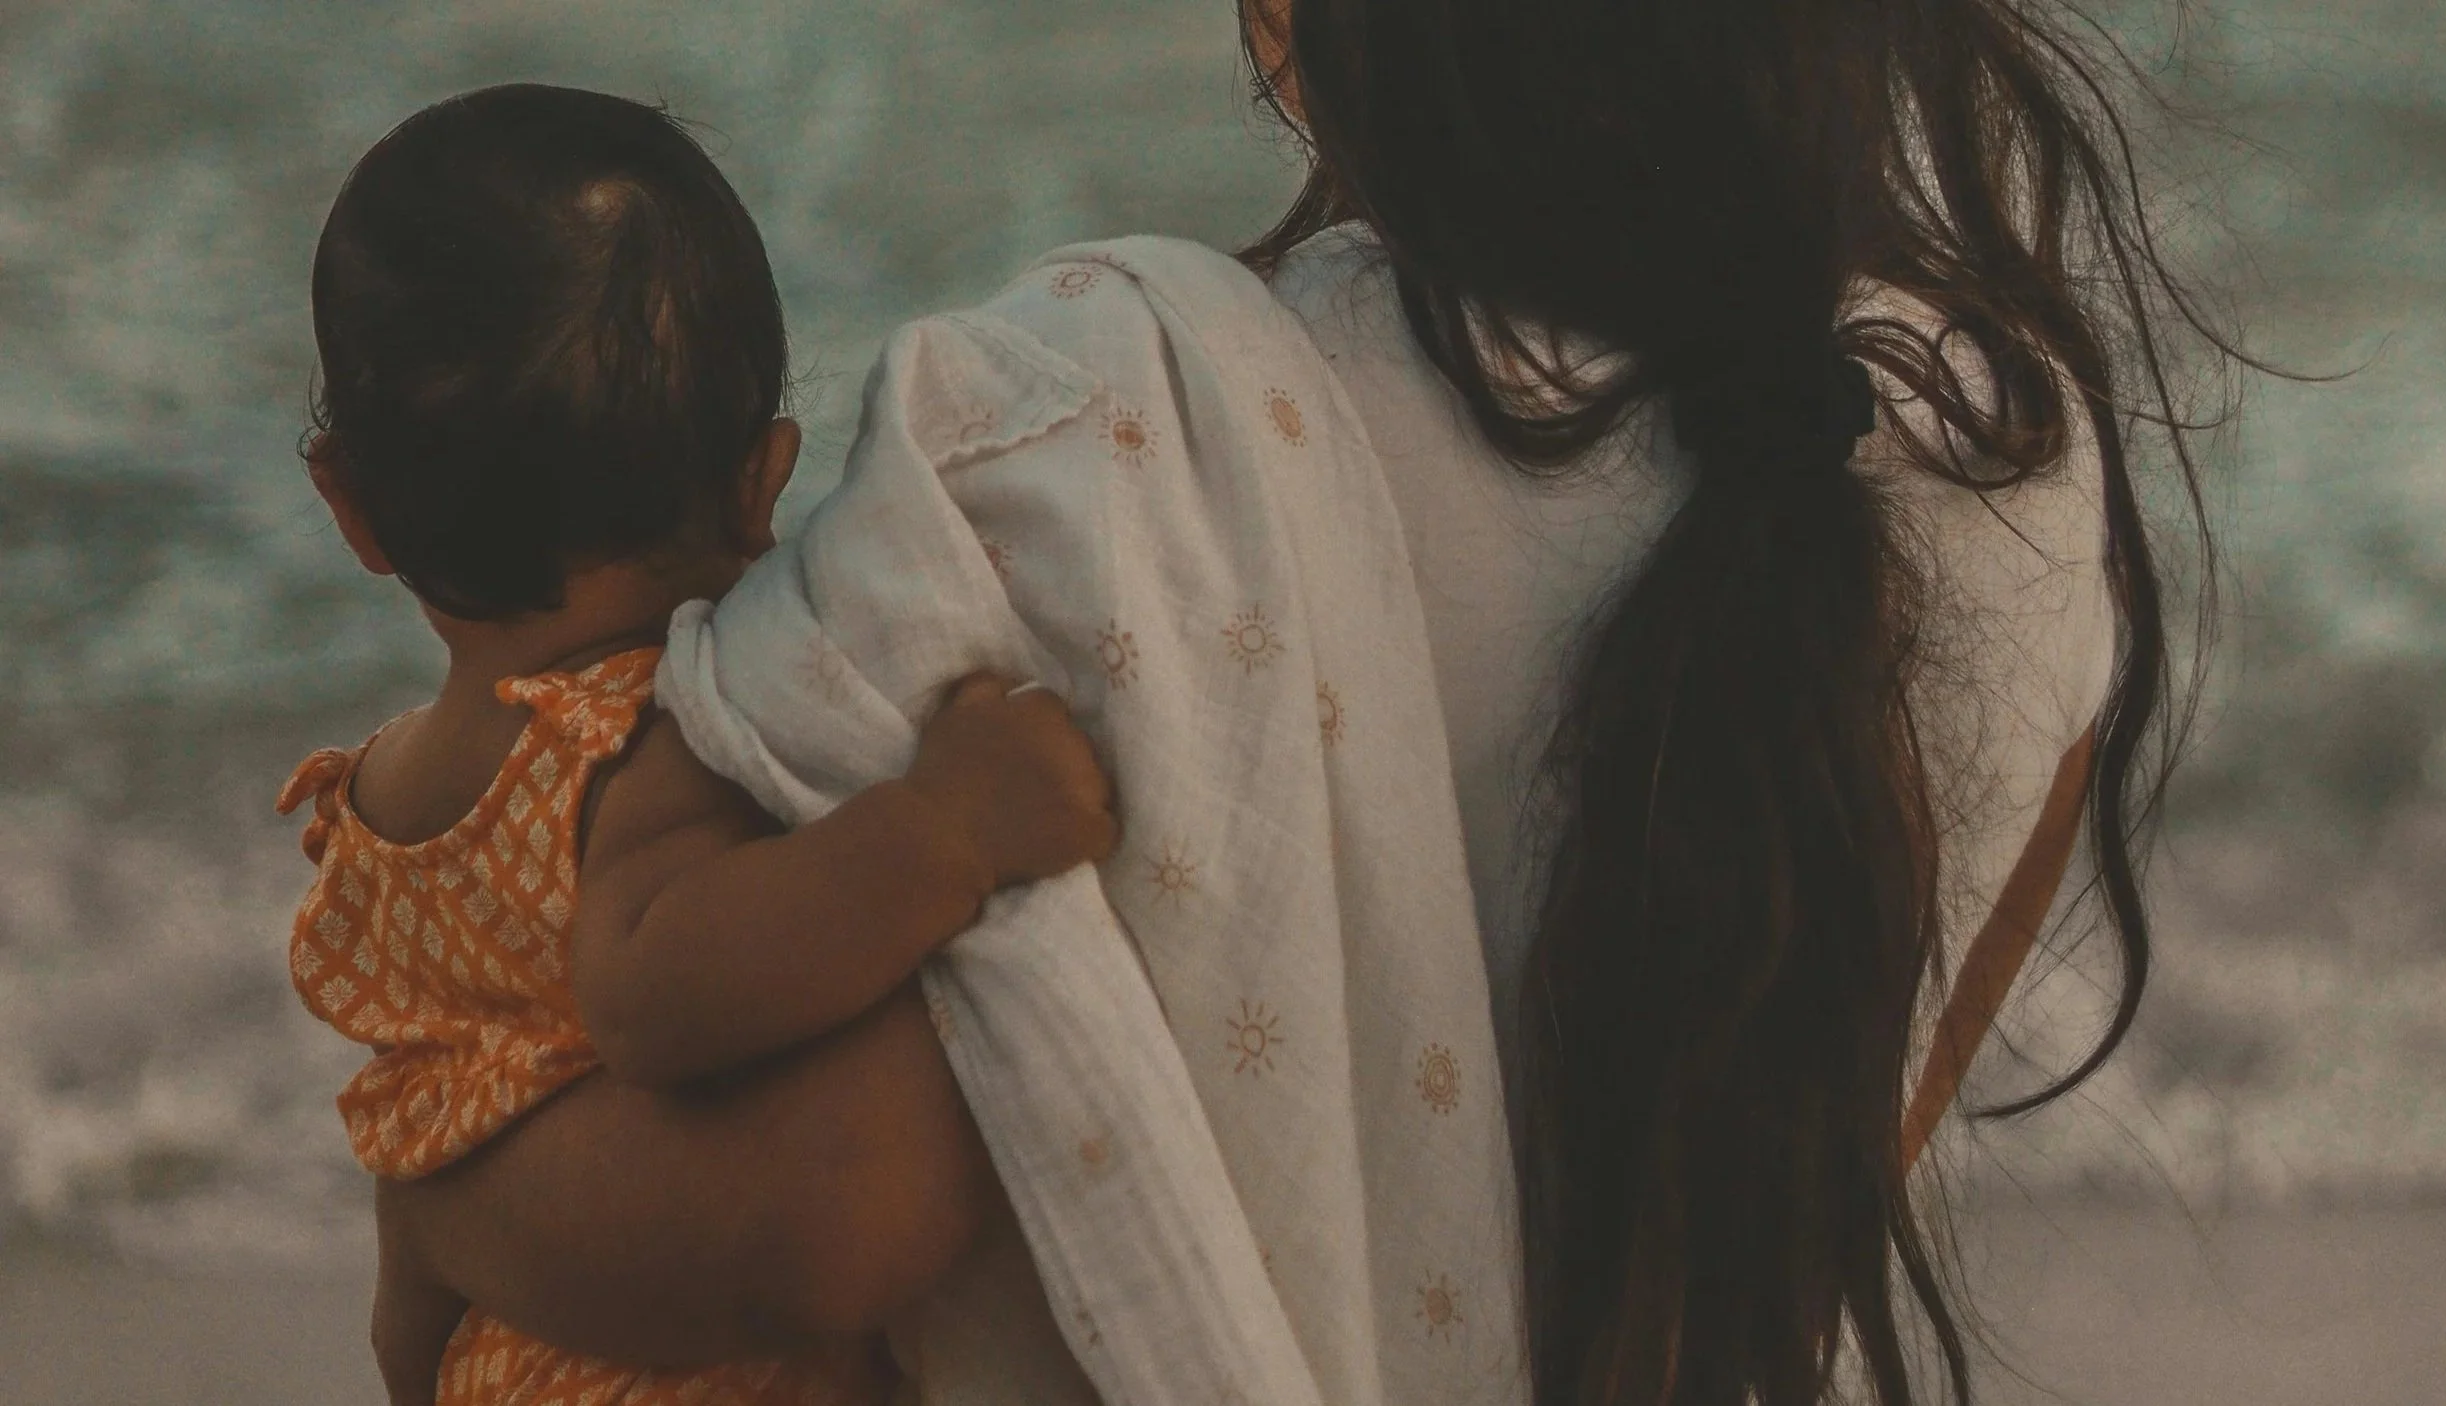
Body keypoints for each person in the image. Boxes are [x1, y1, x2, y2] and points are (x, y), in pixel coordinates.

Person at [368, 1, 2224, 1401]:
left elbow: (826, 1215)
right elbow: (1803, 1188)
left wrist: (436, 1187)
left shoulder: (1080, 446)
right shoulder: (2004, 463)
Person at [281, 83, 1118, 1406]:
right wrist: (944, 831)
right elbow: (654, 988)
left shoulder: (386, 789)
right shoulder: (648, 740)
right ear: (761, 479)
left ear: (351, 507)